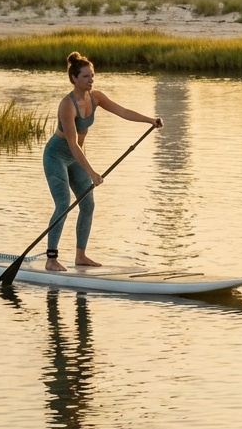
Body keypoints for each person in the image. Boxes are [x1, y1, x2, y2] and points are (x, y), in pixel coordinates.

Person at [43, 51, 163, 271]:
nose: (91, 79)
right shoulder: (67, 105)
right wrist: (92, 173)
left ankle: (80, 256)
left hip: (77, 157)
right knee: (63, 204)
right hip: (56, 156)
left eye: (92, 75)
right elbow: (72, 144)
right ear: (74, 79)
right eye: (86, 76)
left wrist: (150, 120)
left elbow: (123, 111)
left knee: (88, 204)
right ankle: (51, 259)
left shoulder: (96, 97)